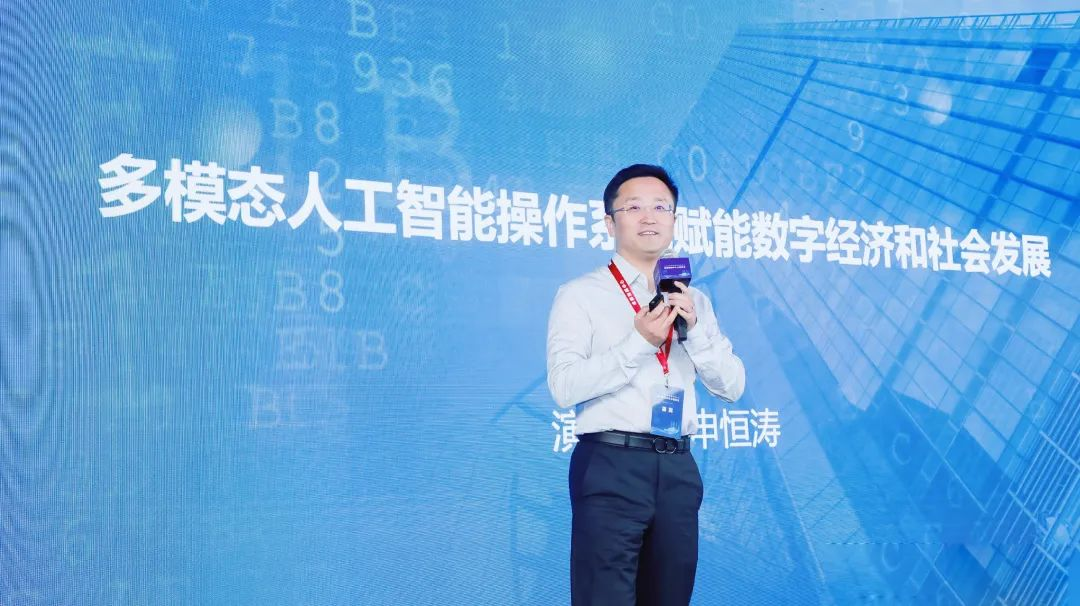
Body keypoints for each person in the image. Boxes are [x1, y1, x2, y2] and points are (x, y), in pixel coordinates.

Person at [546, 164, 746, 605]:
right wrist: (639, 343)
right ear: (609, 222)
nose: (649, 217)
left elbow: (732, 386)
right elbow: (563, 387)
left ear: (674, 220)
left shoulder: (695, 301)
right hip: (611, 464)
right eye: (634, 207)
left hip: (678, 468)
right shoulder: (581, 294)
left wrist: (695, 332)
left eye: (661, 207)